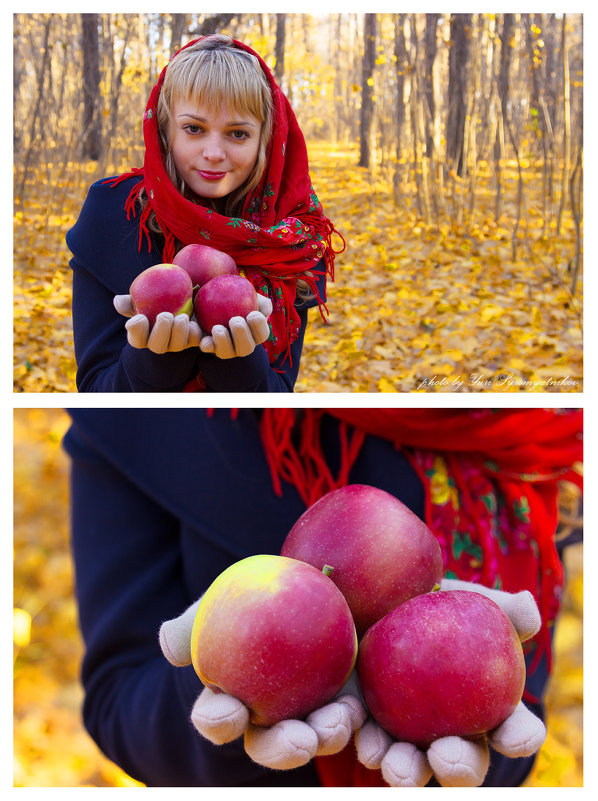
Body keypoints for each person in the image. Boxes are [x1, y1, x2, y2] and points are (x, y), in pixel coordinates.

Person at [64, 407, 582, 787]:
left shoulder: (531, 431)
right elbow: (117, 702)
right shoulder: (143, 416)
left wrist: (469, 750)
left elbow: (517, 713)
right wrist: (234, 681)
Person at [66, 35, 342, 392]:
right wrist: (155, 358)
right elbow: (95, 393)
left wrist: (239, 361)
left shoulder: (293, 240)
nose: (213, 152)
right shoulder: (115, 213)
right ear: (166, 130)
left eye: (238, 133)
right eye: (194, 128)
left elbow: (279, 394)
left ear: (267, 140)